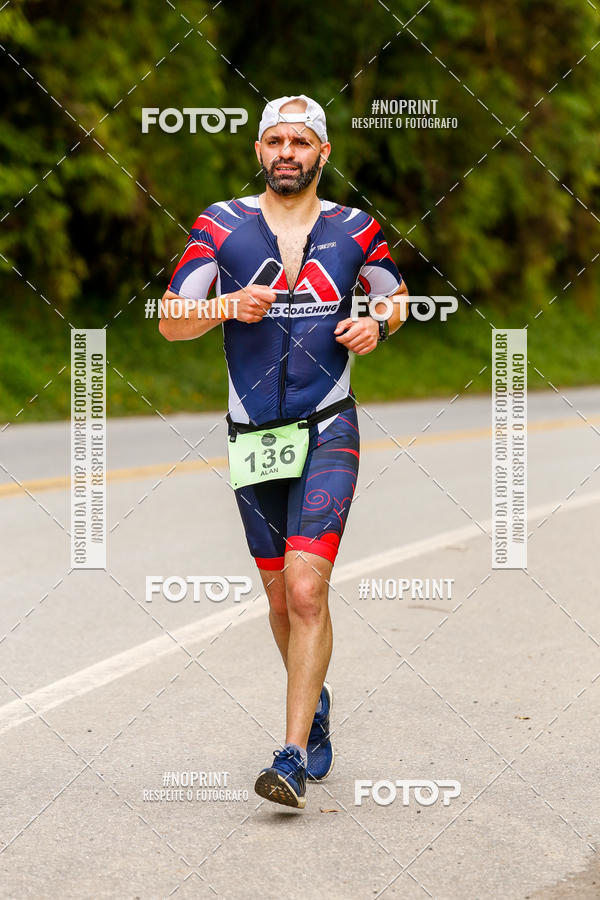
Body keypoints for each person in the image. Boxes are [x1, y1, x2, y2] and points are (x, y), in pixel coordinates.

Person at [159, 94, 408, 809]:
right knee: (279, 600)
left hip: (328, 424)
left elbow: (395, 296)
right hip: (254, 437)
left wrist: (377, 326)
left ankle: (292, 755)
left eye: (301, 141)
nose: (287, 153)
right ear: (259, 151)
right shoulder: (221, 225)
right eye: (275, 141)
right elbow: (171, 320)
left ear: (323, 152)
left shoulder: (356, 229)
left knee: (307, 589)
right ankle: (316, 697)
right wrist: (223, 308)